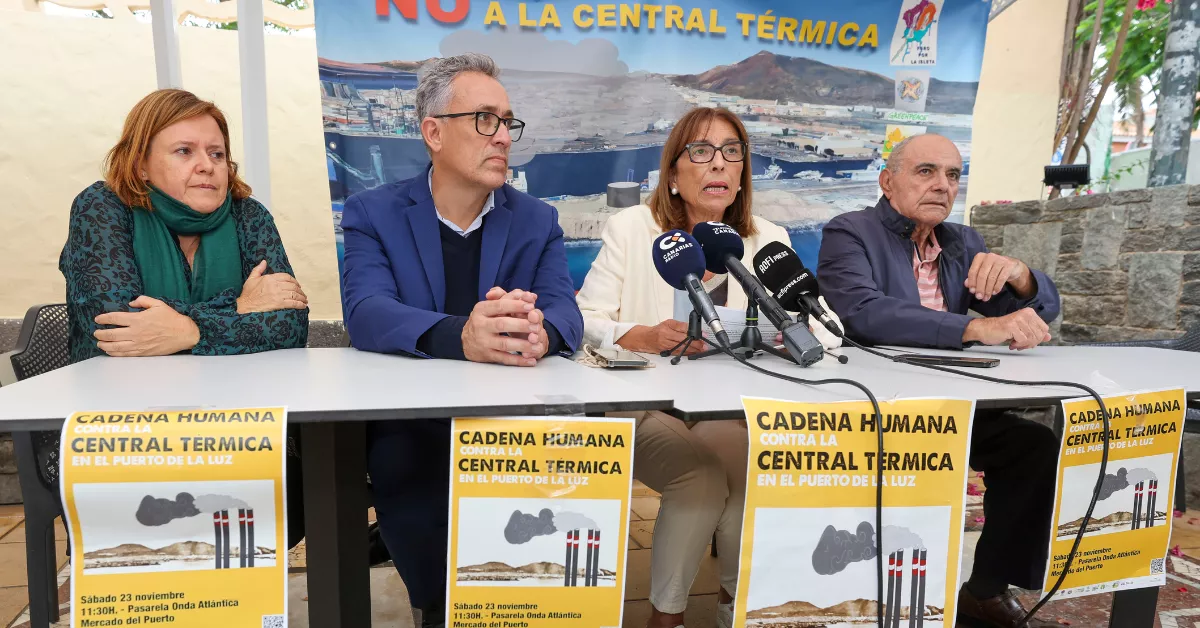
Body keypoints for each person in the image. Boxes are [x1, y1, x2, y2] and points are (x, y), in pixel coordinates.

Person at [339, 53, 583, 628]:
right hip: (414, 420)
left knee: (575, 444)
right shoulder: (372, 212)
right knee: (406, 462)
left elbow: (565, 311)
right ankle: (439, 606)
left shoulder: (537, 219)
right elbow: (367, 313)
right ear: (433, 133)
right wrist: (463, 337)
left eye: (507, 122)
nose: (502, 136)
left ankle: (538, 603)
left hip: (514, 416)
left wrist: (535, 331)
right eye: (484, 120)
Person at [576, 106, 841, 628]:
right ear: (674, 174)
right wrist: (640, 335)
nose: (718, 163)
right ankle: (666, 616)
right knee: (699, 481)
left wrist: (797, 337)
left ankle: (735, 606)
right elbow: (582, 318)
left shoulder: (769, 238)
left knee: (757, 475)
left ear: (742, 171)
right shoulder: (632, 228)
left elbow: (827, 326)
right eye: (701, 151)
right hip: (646, 402)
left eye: (731, 151)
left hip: (726, 412)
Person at [816, 133, 1061, 628]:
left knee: (1032, 444)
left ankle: (986, 589)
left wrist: (1021, 276)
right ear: (888, 181)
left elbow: (1033, 312)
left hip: (949, 405)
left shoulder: (962, 242)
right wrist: (974, 327)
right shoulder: (850, 231)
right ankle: (858, 595)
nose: (943, 186)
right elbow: (861, 313)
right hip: (874, 408)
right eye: (926, 171)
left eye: (953, 175)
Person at [59, 88, 309, 546]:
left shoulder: (249, 217)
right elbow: (114, 321)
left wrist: (187, 329)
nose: (207, 164)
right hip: (120, 429)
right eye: (184, 151)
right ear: (140, 163)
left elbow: (290, 325)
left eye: (217, 153)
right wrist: (237, 308)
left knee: (302, 484)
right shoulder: (103, 207)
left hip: (241, 425)